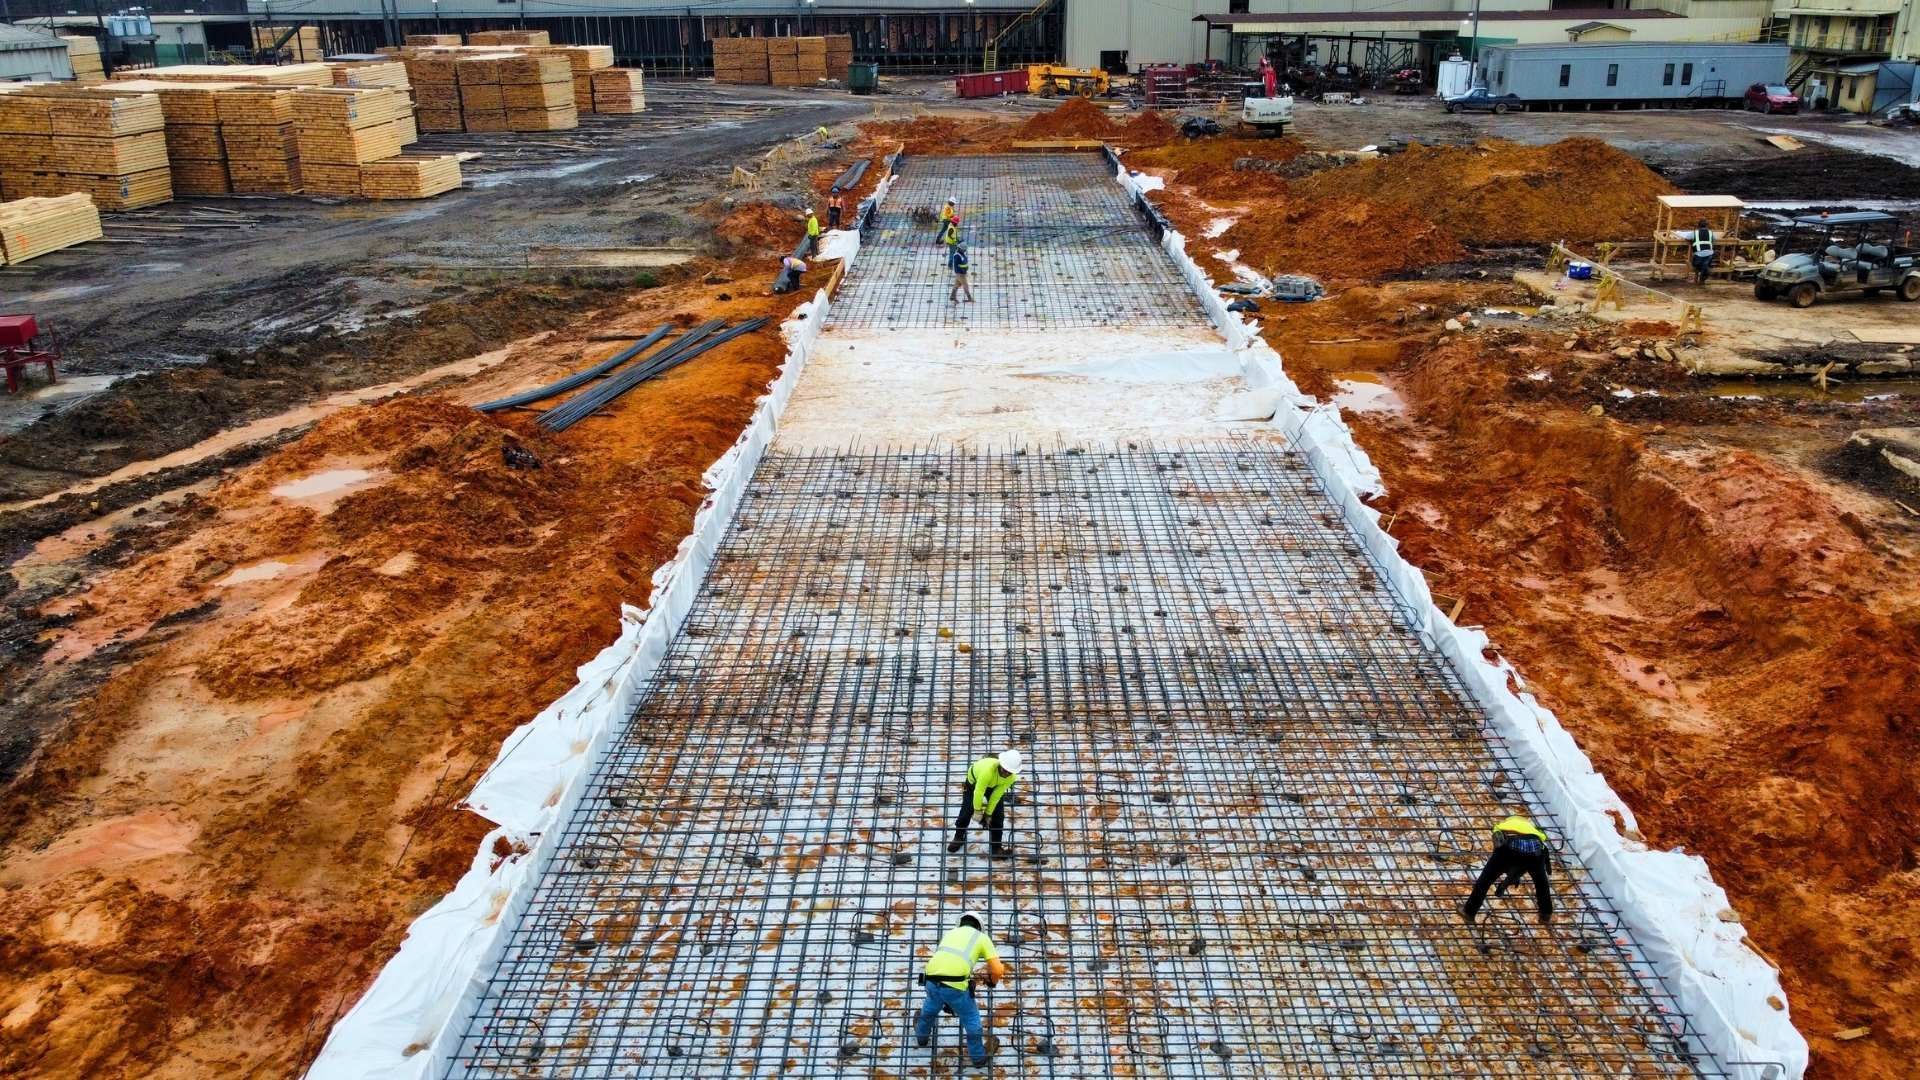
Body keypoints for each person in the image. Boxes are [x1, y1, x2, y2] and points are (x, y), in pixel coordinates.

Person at [915, 910, 1006, 1069]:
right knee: (971, 1019)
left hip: (930, 980)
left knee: (930, 1008)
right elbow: (997, 969)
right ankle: (978, 1057)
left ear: (961, 923)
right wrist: (992, 982)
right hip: (955, 987)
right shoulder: (982, 938)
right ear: (979, 927)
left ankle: (921, 1037)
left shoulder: (949, 933)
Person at [1462, 812, 1553, 926]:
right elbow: (1541, 845)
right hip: (1536, 852)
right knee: (1541, 883)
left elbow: (1498, 844)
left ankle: (1469, 912)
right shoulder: (1534, 830)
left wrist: (1500, 867)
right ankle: (1546, 914)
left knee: (1485, 880)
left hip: (1510, 849)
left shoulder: (1501, 826)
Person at [948, 748, 1020, 856]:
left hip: (993, 786)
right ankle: (959, 836)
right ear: (1001, 764)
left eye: (1009, 772)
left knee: (998, 815)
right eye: (1004, 769)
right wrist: (978, 811)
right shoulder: (988, 770)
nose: (1006, 773)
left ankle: (996, 847)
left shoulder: (1012, 777)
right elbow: (979, 792)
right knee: (966, 811)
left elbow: (996, 795)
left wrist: (988, 814)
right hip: (974, 784)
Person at [1690, 218, 1716, 285]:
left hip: (1698, 254)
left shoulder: (1695, 232)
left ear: (1698, 226)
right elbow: (1714, 239)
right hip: (1709, 254)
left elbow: (1687, 237)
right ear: (1707, 226)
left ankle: (1700, 275)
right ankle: (1703, 275)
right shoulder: (1710, 232)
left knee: (1695, 265)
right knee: (1705, 265)